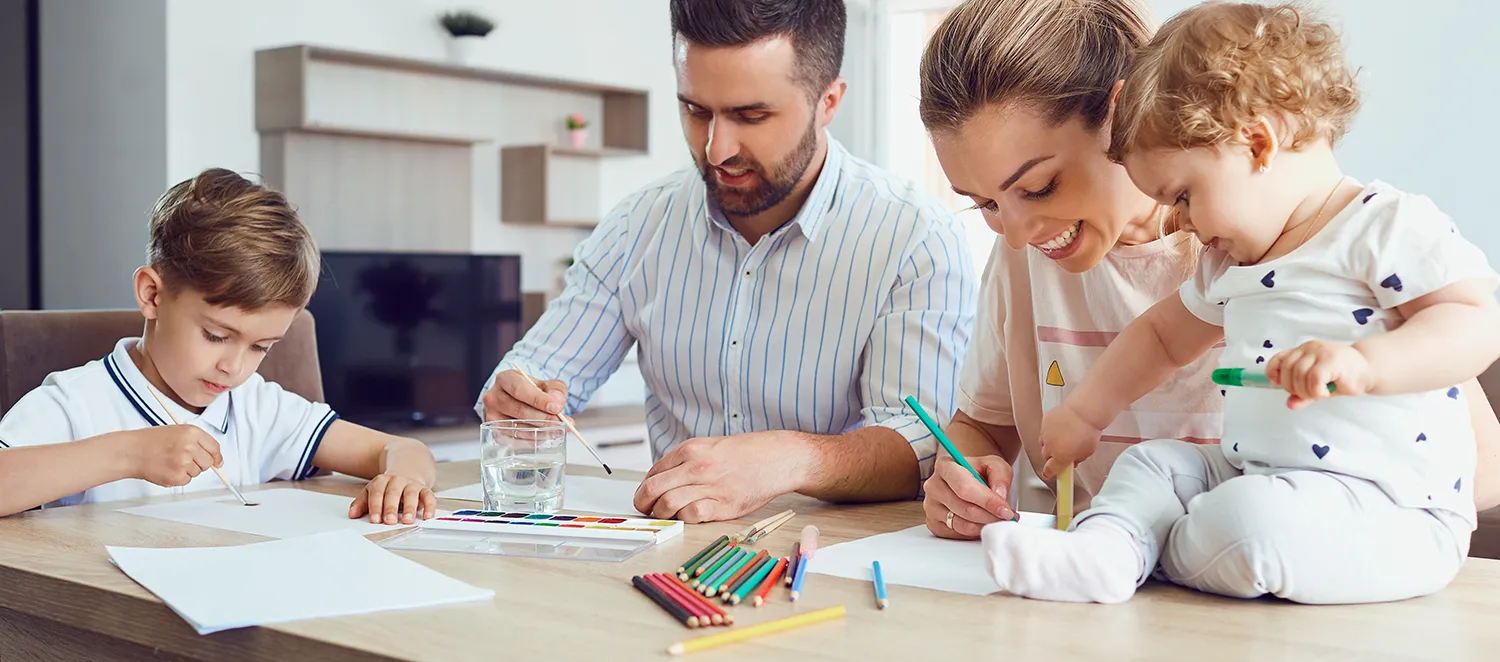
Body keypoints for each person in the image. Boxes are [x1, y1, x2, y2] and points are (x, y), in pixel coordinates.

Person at [915, 0, 1500, 542]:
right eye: (985, 204)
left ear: (1120, 116)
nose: (1015, 233)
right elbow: (984, 429)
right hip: (1121, 580)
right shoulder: (1022, 260)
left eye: (1039, 187)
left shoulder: (1278, 246)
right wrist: (962, 479)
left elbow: (1483, 466)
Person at [477, 0, 974, 523]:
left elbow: (920, 444)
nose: (715, 149)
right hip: (672, 555)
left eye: (751, 115)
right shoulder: (635, 227)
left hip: (835, 558)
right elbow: (533, 375)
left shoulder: (915, 237)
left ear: (828, 101)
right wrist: (519, 402)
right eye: (695, 110)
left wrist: (788, 460)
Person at [0, 168, 437, 523]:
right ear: (153, 295)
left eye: (260, 347)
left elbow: (404, 450)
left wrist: (402, 476)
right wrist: (127, 453)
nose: (234, 367)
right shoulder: (76, 403)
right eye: (216, 336)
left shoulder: (257, 407)